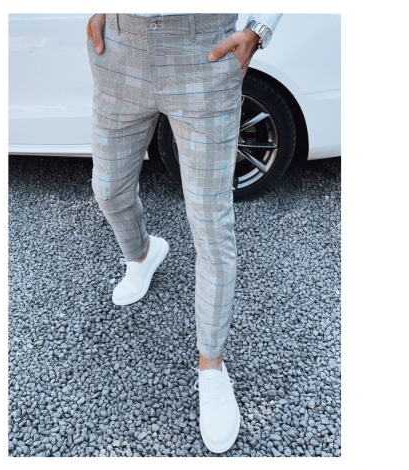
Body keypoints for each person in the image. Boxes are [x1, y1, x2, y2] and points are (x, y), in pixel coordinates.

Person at [86, 12, 282, 454]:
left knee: (210, 223)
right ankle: (142, 255)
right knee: (108, 189)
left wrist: (259, 30)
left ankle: (211, 366)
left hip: (201, 49)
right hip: (120, 47)